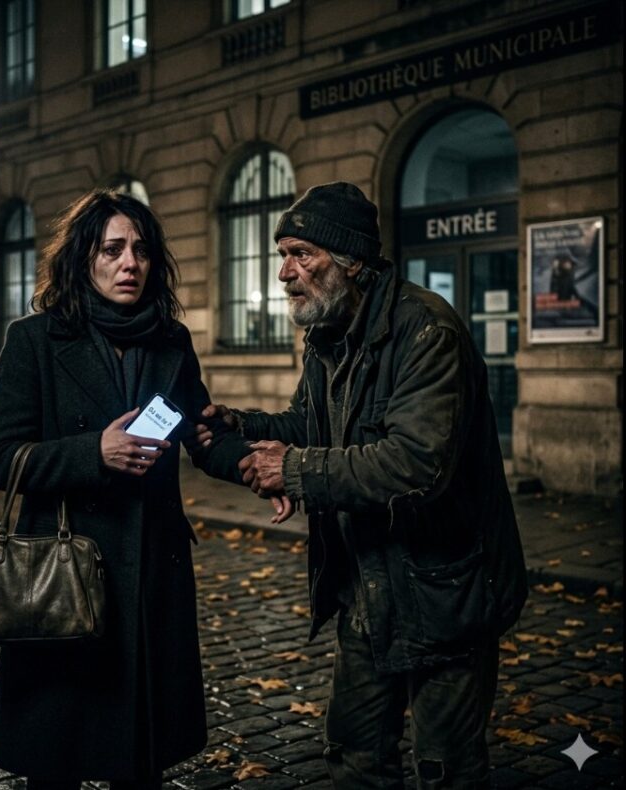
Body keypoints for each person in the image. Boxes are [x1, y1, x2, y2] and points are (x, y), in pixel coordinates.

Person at [196, 182, 528, 788]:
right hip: (367, 588)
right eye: (282, 257)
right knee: (353, 755)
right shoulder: (328, 335)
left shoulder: (426, 330)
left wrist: (292, 469)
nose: (284, 274)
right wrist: (243, 425)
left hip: (444, 594)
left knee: (444, 770)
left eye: (300, 254)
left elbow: (414, 463)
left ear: (349, 259)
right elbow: (310, 425)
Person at [0, 189, 247, 789]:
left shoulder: (170, 341)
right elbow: (2, 459)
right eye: (113, 249)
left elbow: (198, 432)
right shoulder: (35, 341)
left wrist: (259, 468)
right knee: (58, 760)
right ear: (84, 259)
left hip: (150, 572)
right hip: (65, 576)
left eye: (142, 250)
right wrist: (91, 453)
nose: (130, 262)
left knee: (139, 760)